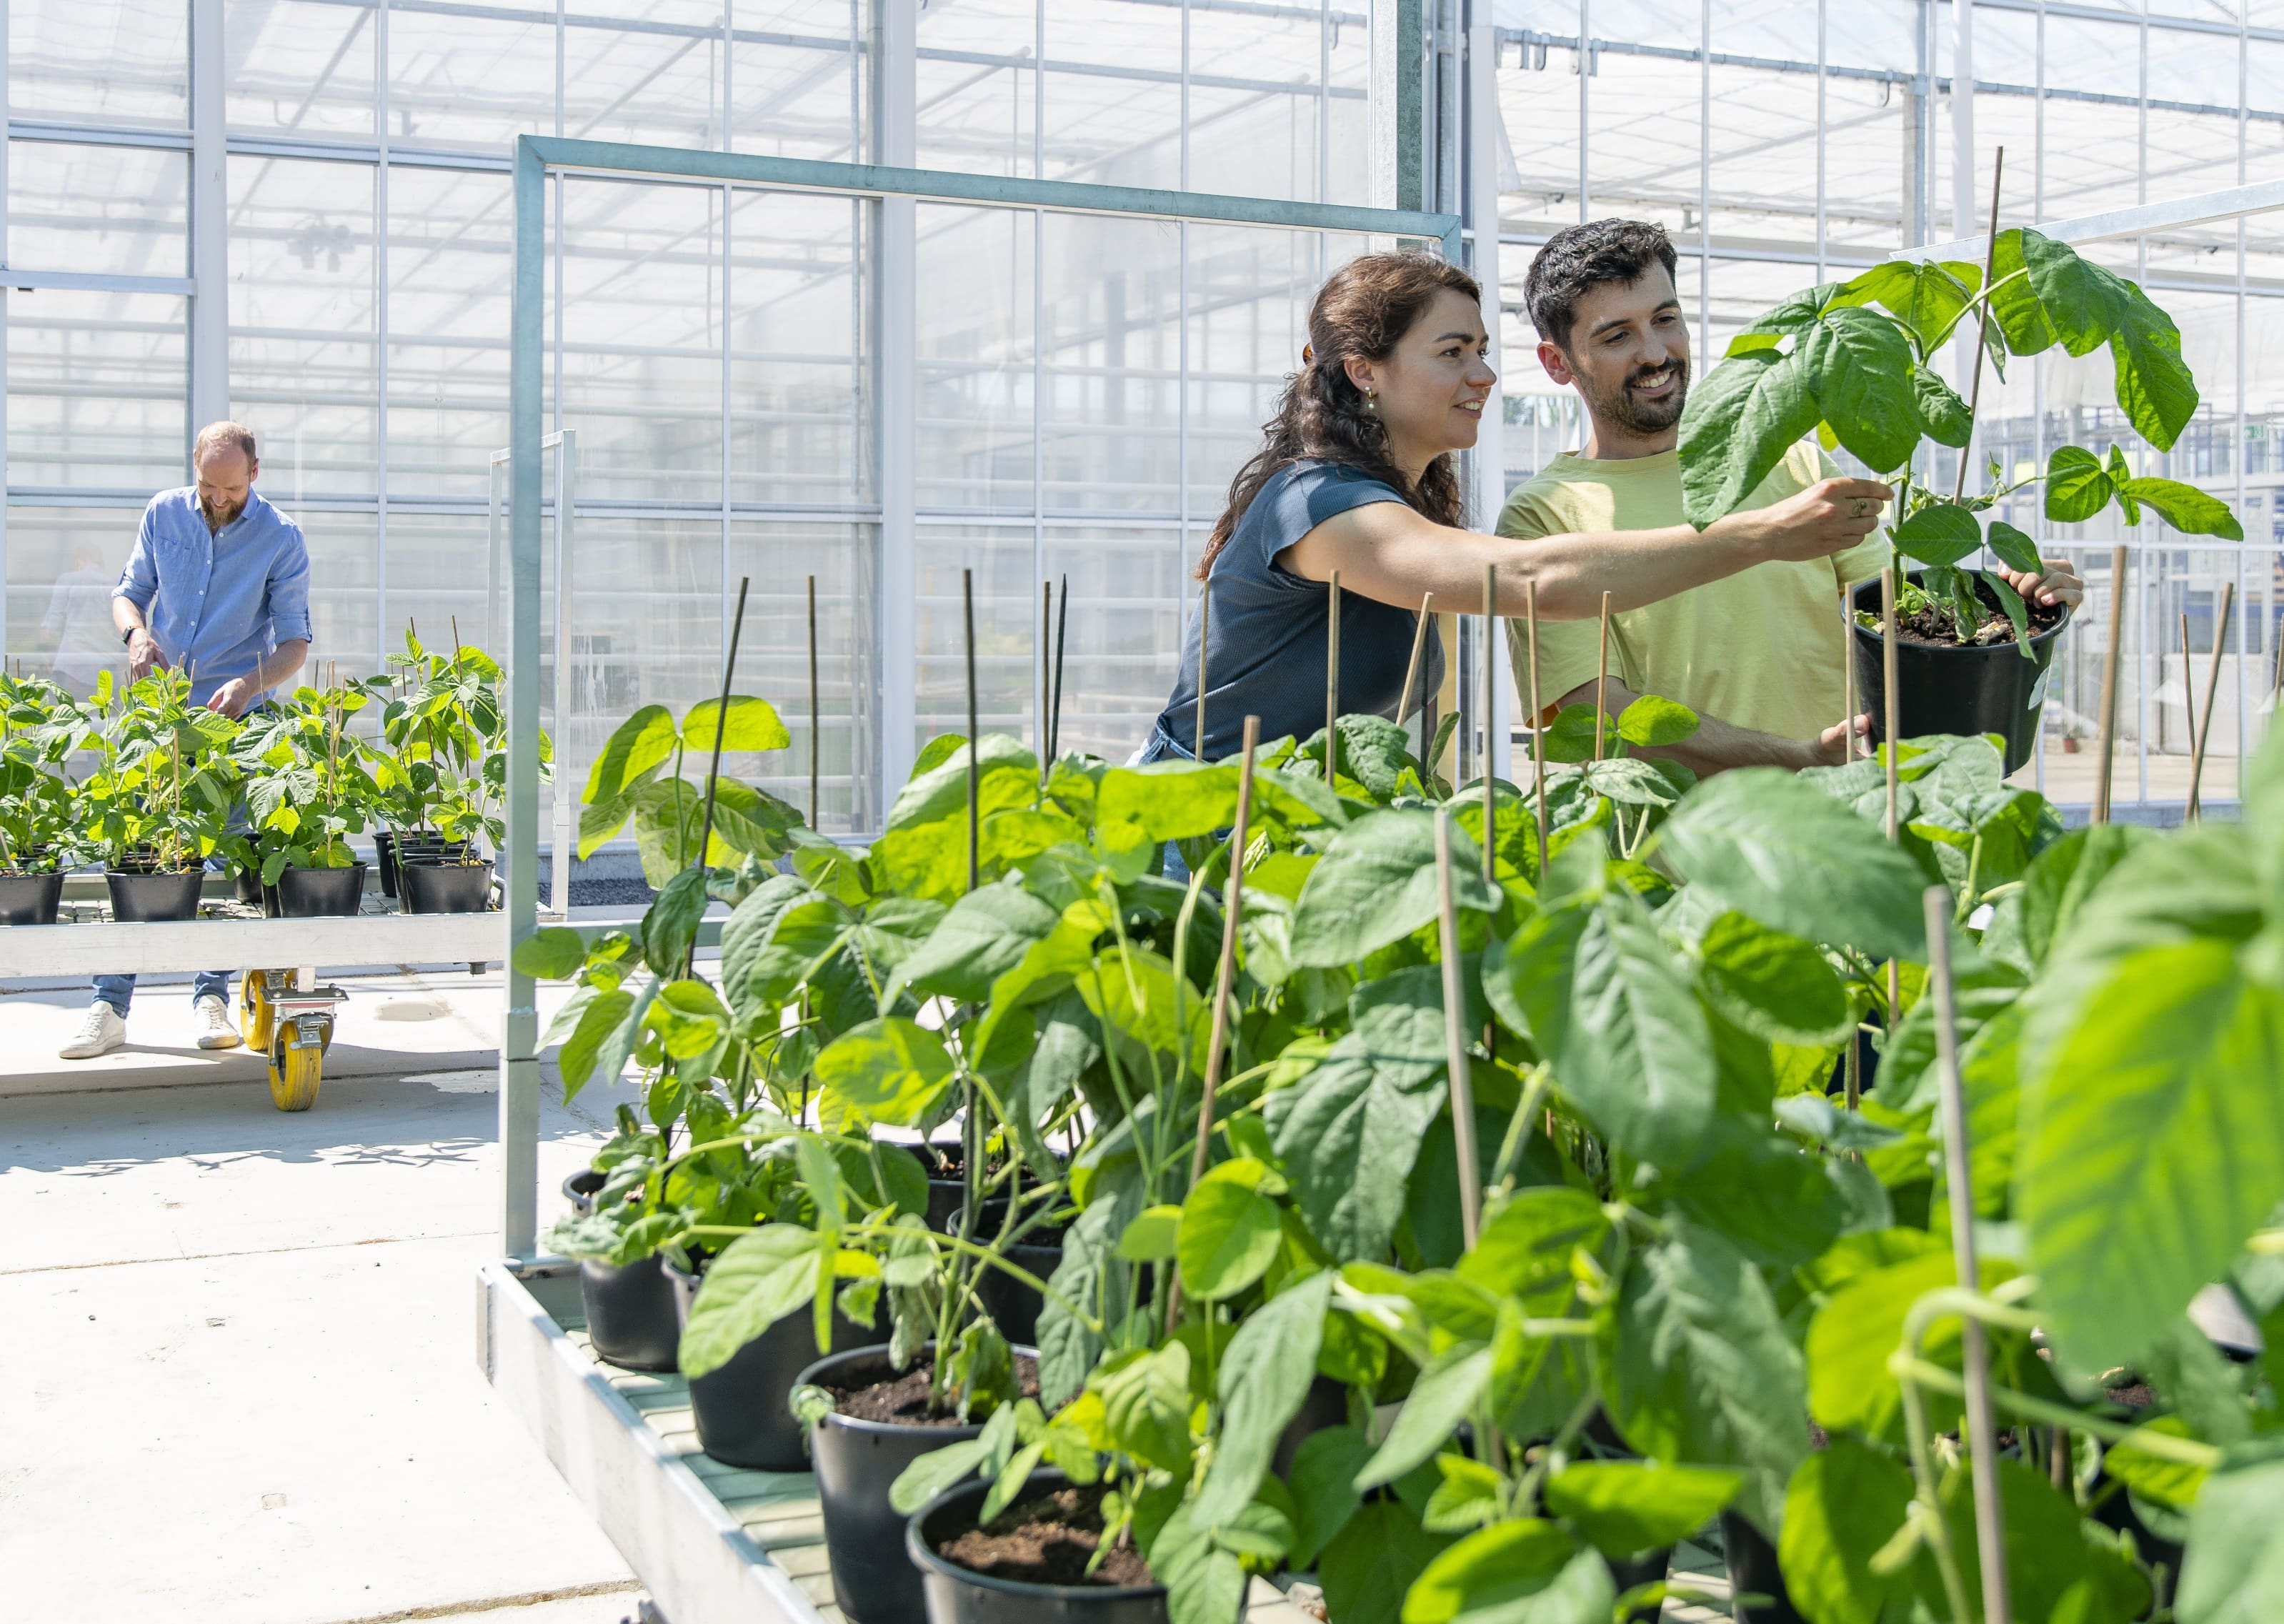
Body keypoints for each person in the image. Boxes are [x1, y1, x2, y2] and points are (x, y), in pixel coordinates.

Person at [1141, 250, 1895, 768]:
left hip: (1284, 823)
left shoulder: (1401, 503)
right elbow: (1534, 579)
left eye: (1481, 349)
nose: (1484, 375)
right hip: (1202, 825)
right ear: (1365, 371)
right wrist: (1759, 536)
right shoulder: (1319, 503)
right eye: (1452, 353)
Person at [1500, 219, 2083, 773]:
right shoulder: (1544, 516)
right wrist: (1795, 756)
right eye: (1616, 336)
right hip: (1678, 837)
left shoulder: (1793, 465)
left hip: (1840, 813)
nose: (1654, 353)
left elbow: (1900, 623)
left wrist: (2012, 610)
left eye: (1665, 319)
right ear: (1557, 362)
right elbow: (1598, 716)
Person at [59, 422, 313, 1062]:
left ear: (254, 473)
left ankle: (212, 996)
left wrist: (249, 684)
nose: (217, 499)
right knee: (136, 854)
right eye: (207, 486)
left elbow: (294, 644)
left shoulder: (281, 538)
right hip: (160, 716)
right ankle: (109, 1006)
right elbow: (127, 595)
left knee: (223, 856)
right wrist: (137, 636)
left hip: (234, 720)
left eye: (231, 488)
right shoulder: (163, 513)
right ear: (194, 469)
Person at [41, 539, 120, 697]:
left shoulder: (68, 579)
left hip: (72, 667)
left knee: (67, 708)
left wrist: (45, 655)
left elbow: (51, 626)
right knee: (103, 710)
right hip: (105, 666)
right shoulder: (113, 586)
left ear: (81, 559)